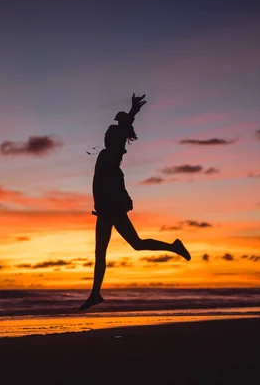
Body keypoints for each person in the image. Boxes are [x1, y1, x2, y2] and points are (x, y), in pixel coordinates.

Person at [78, 94, 191, 311]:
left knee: (119, 248)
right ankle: (95, 294)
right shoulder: (110, 155)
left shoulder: (109, 156)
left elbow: (116, 168)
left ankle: (95, 294)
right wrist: (131, 113)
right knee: (126, 247)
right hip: (106, 210)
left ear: (112, 139)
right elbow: (120, 140)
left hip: (110, 211)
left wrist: (129, 115)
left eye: (108, 135)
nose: (105, 136)